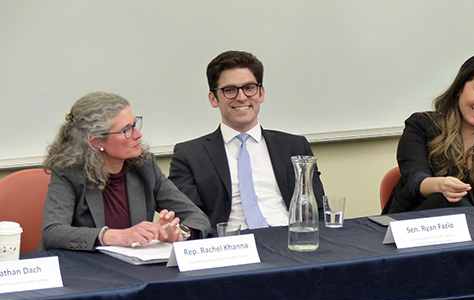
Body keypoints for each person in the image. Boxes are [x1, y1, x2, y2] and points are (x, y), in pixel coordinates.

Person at [168, 50, 325, 232]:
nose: (241, 97)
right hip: (230, 245)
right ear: (213, 98)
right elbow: (189, 218)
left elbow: (317, 208)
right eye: (230, 90)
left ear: (261, 93)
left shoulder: (295, 146)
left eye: (249, 88)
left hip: (290, 239)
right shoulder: (190, 155)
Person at [41, 91, 211, 251]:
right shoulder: (68, 172)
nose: (138, 134)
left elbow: (197, 217)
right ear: (97, 142)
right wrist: (114, 236)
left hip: (133, 269)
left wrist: (178, 233)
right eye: (126, 130)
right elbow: (53, 232)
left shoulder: (144, 166)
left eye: (134, 124)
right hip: (83, 271)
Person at [383, 55, 474, 213]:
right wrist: (440, 185)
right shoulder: (421, 125)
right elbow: (415, 179)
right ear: (459, 89)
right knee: (448, 202)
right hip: (418, 224)